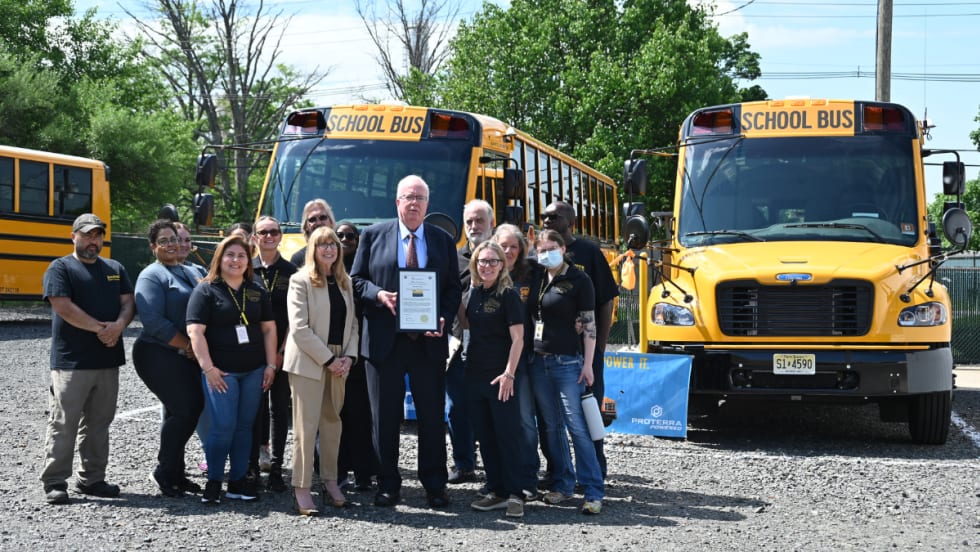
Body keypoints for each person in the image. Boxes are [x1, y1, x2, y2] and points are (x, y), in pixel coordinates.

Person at [351, 175, 462, 509]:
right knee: (384, 418)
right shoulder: (372, 236)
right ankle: (387, 483)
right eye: (407, 197)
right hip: (385, 342)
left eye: (420, 198)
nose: (413, 203)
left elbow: (453, 288)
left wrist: (442, 315)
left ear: (428, 204)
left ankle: (435, 484)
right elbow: (356, 282)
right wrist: (379, 294)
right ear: (396, 202)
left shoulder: (442, 240)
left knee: (431, 417)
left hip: (428, 342)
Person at [39, 213, 135, 505]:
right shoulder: (61, 268)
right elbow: (62, 306)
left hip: (107, 360)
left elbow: (129, 302)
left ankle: (91, 479)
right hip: (72, 362)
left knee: (99, 422)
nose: (93, 241)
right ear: (74, 236)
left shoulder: (115, 268)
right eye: (87, 235)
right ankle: (55, 481)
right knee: (63, 422)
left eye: (98, 235)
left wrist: (118, 326)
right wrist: (101, 329)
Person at [186, 235, 277, 505]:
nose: (235, 260)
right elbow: (195, 332)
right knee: (223, 426)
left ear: (248, 261)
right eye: (230, 255)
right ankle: (214, 480)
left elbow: (269, 328)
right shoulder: (205, 290)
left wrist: (271, 365)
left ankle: (238, 481)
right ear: (219, 259)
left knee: (244, 428)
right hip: (221, 373)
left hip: (254, 370)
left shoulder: (257, 290)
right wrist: (209, 369)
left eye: (241, 256)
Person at [283, 226, 359, 515]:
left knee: (332, 424)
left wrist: (349, 357)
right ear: (312, 249)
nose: (329, 249)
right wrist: (329, 360)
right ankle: (302, 488)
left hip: (340, 361)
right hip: (310, 362)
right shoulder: (299, 280)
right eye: (322, 244)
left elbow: (353, 324)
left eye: (333, 245)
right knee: (306, 427)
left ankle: (330, 481)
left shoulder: (344, 282)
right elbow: (299, 329)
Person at [542, 201, 619, 480]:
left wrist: (598, 347)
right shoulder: (541, 255)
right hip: (551, 351)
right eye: (545, 216)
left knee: (587, 411)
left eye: (554, 216)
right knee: (551, 418)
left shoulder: (589, 252)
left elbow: (606, 300)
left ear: (571, 221)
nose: (548, 220)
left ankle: (596, 467)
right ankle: (558, 470)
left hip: (584, 352)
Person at [530, 229, 604, 515]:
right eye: (541, 248)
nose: (546, 253)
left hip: (567, 364)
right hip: (538, 362)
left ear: (563, 248)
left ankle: (593, 490)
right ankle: (563, 484)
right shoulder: (537, 276)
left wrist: (588, 364)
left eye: (552, 247)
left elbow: (589, 325)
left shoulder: (579, 279)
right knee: (551, 427)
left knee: (577, 428)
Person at [133, 219, 205, 497]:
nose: (171, 244)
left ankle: (176, 473)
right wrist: (189, 347)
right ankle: (164, 470)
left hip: (186, 355)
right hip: (157, 353)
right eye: (163, 241)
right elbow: (153, 321)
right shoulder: (152, 275)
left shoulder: (190, 270)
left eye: (174, 238)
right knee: (186, 409)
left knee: (184, 411)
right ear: (153, 247)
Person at [459, 241, 529, 518]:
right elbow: (467, 325)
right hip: (475, 374)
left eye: (493, 261)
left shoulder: (508, 295)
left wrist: (509, 373)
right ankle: (497, 490)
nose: (487, 266)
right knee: (485, 436)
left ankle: (515, 493)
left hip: (501, 377)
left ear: (502, 265)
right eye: (482, 261)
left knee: (507, 435)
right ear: (475, 265)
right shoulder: (474, 293)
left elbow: (519, 338)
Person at [492, 223, 545, 500]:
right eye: (504, 245)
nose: (509, 251)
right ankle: (498, 479)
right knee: (496, 420)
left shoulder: (532, 272)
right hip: (492, 358)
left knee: (525, 418)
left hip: (522, 357)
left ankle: (528, 477)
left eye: (514, 246)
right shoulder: (486, 271)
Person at [446, 199, 495, 484]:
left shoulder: (503, 257)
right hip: (458, 345)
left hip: (493, 348)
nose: (474, 226)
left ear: (491, 223)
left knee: (490, 411)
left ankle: (494, 468)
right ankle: (464, 464)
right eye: (470, 222)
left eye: (479, 220)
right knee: (456, 408)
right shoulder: (453, 259)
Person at [247, 216, 297, 492]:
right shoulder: (246, 269)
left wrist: (280, 352)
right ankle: (253, 466)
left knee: (279, 410)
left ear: (280, 236)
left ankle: (277, 469)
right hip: (251, 354)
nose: (269, 236)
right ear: (254, 237)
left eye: (274, 232)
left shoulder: (291, 271)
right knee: (253, 410)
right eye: (263, 232)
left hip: (281, 354)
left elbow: (295, 317)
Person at [335, 221, 378, 491]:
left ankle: (364, 473)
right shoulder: (327, 270)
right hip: (334, 354)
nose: (345, 239)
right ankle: (336, 472)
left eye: (351, 236)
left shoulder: (366, 271)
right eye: (340, 235)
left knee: (362, 417)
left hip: (362, 354)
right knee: (335, 416)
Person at [173, 221, 210, 473]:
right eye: (178, 239)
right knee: (176, 410)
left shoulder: (198, 270)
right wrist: (186, 345)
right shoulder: (159, 272)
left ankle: (210, 456)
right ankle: (173, 463)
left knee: (204, 409)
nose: (183, 245)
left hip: (200, 353)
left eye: (187, 240)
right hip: (176, 353)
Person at [290, 199, 336, 267]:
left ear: (331, 222)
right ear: (306, 226)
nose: (318, 223)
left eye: (322, 217)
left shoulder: (343, 253)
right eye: (312, 219)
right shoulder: (298, 259)